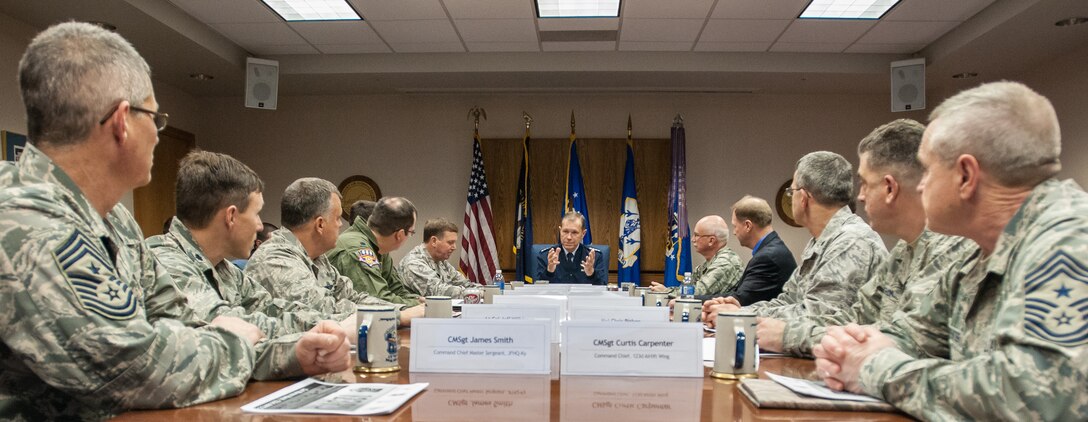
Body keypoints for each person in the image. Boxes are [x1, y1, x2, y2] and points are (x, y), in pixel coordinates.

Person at [0, 22, 347, 420]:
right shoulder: (24, 217)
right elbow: (128, 368)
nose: (157, 134)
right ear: (122, 122)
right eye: (155, 118)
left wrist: (289, 354)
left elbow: (184, 323)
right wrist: (234, 344)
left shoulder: (116, 222)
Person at [814, 82, 1088, 421]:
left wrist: (875, 369)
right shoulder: (978, 253)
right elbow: (913, 334)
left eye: (928, 170)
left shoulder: (1069, 240)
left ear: (966, 176)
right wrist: (848, 348)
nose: (922, 184)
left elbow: (1032, 397)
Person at [757, 119, 974, 357]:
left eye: (866, 184)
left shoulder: (948, 250)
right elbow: (856, 317)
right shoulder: (904, 251)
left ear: (890, 188)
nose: (859, 197)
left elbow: (906, 342)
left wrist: (789, 336)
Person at [147, 151, 347, 338]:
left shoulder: (224, 269)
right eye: (256, 213)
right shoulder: (166, 263)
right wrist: (330, 330)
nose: (260, 225)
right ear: (231, 216)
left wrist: (336, 324)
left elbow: (272, 309)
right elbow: (232, 329)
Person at [704, 151, 887, 327]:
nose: (791, 199)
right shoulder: (821, 240)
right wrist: (741, 309)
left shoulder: (850, 241)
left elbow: (819, 316)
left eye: (792, 192)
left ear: (804, 198)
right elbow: (790, 299)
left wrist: (741, 315)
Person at [246, 178, 423, 325]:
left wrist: (402, 310)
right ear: (320, 224)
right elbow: (322, 311)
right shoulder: (276, 259)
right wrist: (398, 316)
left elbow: (353, 297)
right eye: (337, 218)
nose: (341, 225)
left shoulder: (317, 258)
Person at [698, 196, 796, 305]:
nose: (734, 232)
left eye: (735, 226)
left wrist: (689, 300)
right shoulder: (771, 249)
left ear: (748, 226)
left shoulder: (767, 257)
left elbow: (740, 300)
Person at [328, 197, 423, 306]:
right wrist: (420, 305)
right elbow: (377, 300)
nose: (411, 235)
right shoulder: (357, 250)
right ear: (400, 235)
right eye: (412, 232)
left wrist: (419, 301)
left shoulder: (380, 248)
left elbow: (397, 290)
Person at [650, 215, 742, 297]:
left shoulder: (725, 262)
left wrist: (666, 291)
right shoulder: (708, 264)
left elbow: (699, 293)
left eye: (697, 235)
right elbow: (686, 288)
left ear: (711, 240)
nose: (692, 239)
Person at [398, 218, 480, 298]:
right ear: (434, 241)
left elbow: (464, 283)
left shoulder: (440, 261)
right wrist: (478, 293)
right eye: (450, 242)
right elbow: (439, 292)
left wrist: (485, 291)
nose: (454, 247)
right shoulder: (413, 263)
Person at [535, 212, 606, 284]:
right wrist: (549, 271)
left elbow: (602, 289)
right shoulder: (546, 255)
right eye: (565, 231)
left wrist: (591, 274)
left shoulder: (595, 257)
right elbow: (538, 289)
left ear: (583, 233)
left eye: (574, 232)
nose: (569, 237)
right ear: (560, 231)